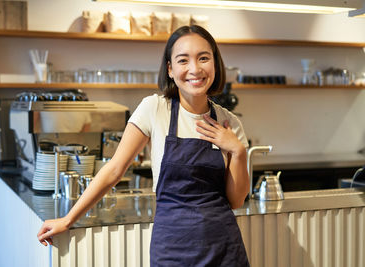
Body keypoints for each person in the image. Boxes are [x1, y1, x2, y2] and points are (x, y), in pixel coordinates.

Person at [37, 25, 250, 266]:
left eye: (203, 58)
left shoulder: (229, 123)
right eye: (183, 60)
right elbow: (114, 170)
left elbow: (235, 200)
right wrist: (68, 219)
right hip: (172, 249)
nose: (195, 69)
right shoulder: (155, 109)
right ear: (170, 69)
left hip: (223, 249)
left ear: (215, 63)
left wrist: (238, 151)